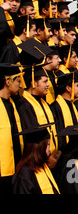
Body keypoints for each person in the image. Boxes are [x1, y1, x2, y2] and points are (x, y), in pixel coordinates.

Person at [12, 124, 60, 194]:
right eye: (48, 145)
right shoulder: (25, 173)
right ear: (40, 148)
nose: (49, 149)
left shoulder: (43, 166)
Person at [0, 63, 23, 194]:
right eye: (18, 81)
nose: (20, 85)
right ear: (8, 82)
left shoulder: (13, 104)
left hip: (15, 165)